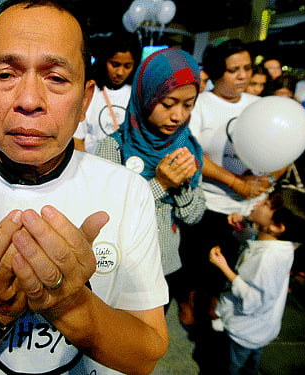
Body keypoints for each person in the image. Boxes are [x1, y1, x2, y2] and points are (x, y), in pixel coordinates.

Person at [0, 1, 169, 374]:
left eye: (56, 78)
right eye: (6, 74)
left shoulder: (126, 192)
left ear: (85, 99)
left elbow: (146, 355)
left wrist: (70, 304)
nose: (28, 101)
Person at [95, 48, 206, 313]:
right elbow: (107, 213)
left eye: (188, 105)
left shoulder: (187, 148)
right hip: (122, 267)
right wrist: (161, 184)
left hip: (164, 268)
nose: (178, 115)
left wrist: (182, 188)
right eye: (168, 104)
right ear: (146, 96)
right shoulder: (114, 147)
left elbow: (194, 215)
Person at [186, 39, 283, 325]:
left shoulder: (260, 105)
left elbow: (279, 147)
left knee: (233, 261)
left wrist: (268, 176)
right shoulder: (200, 104)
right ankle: (190, 299)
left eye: (247, 68)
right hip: (209, 201)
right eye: (233, 70)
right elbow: (192, 154)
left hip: (247, 206)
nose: (243, 76)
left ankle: (217, 301)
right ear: (217, 72)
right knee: (199, 259)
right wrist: (233, 182)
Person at [209, 193, 302, 375]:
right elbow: (255, 242)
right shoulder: (281, 246)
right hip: (261, 329)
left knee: (231, 366)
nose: (258, 202)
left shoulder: (268, 258)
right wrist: (242, 228)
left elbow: (254, 300)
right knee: (251, 364)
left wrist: (225, 268)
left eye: (266, 204)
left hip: (245, 331)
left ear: (276, 226)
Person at [73, 32, 140, 154]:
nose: (120, 72)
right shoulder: (90, 92)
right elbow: (78, 139)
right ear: (104, 61)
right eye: (115, 65)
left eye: (127, 66)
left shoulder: (138, 94)